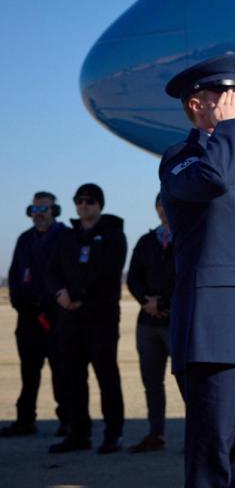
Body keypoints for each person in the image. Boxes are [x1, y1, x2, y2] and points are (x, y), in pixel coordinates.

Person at [159, 54, 235, 487]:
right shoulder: (180, 159)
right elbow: (210, 180)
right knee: (212, 459)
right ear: (197, 105)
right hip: (213, 336)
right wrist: (227, 130)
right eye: (228, 96)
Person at [46, 183, 127, 454]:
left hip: (100, 318)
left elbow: (109, 272)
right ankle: (78, 434)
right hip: (70, 318)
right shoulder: (66, 238)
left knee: (106, 377)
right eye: (79, 200)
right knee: (72, 378)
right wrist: (61, 294)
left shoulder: (114, 235)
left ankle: (113, 435)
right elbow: (52, 270)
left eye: (90, 201)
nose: (84, 205)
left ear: (100, 205)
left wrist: (81, 294)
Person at [2, 192, 69, 437]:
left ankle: (67, 420)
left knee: (61, 371)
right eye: (34, 208)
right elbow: (14, 275)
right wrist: (21, 304)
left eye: (44, 207)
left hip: (56, 318)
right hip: (28, 318)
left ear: (55, 210)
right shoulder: (24, 240)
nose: (39, 213)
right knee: (28, 372)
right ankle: (25, 420)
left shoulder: (64, 237)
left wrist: (54, 307)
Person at [125, 193, 177, 453]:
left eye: (168, 203)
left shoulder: (188, 238)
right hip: (147, 324)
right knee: (152, 382)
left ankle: (200, 438)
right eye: (160, 204)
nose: (164, 209)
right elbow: (133, 278)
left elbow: (189, 276)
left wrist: (164, 303)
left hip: (176, 322)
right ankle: (155, 433)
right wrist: (147, 302)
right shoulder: (146, 242)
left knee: (189, 384)